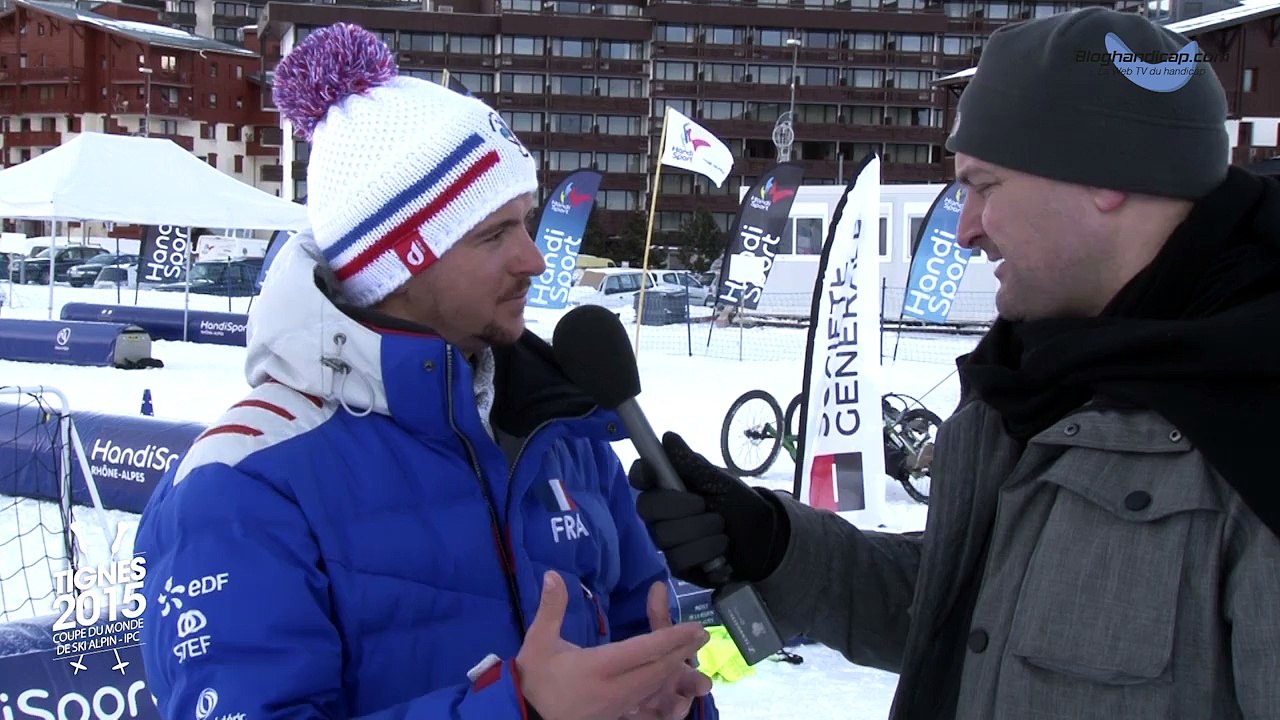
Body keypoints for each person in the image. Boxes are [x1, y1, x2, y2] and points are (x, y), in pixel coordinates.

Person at [628, 7, 1280, 719]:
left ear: (1106, 175)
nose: (965, 228)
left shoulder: (1250, 429)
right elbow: (971, 613)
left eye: (985, 185)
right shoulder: (1040, 377)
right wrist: (774, 542)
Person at [134, 23, 715, 720]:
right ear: (399, 266)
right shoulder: (243, 482)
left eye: (526, 222)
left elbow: (641, 642)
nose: (534, 259)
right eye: (494, 234)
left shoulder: (561, 428)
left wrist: (667, 704)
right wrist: (518, 709)